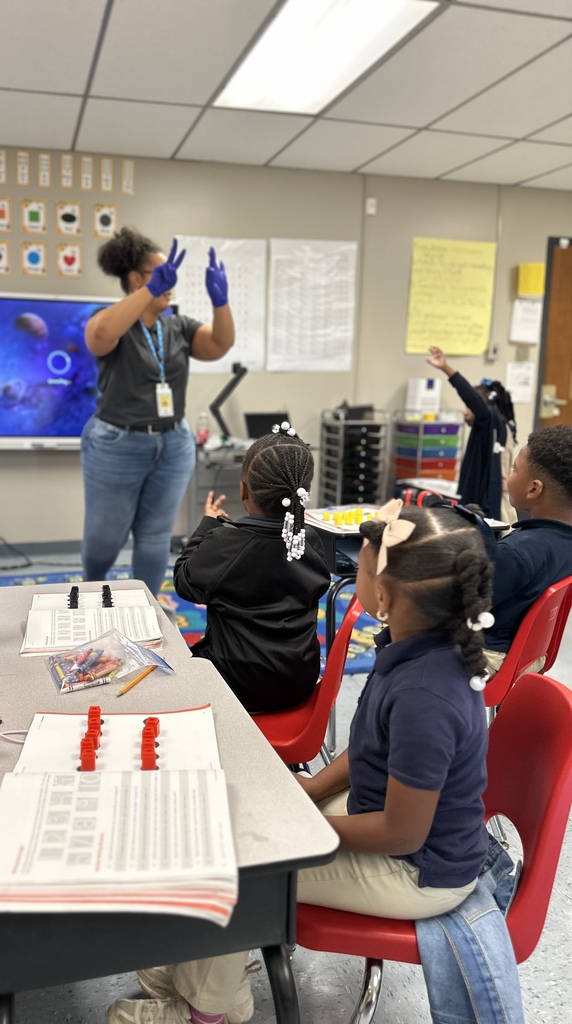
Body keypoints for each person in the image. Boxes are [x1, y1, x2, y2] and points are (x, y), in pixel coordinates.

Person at [107, 500, 495, 1024]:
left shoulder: (428, 696)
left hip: (416, 870)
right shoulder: (410, 648)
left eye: (357, 562)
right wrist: (307, 792)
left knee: (241, 865)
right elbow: (369, 753)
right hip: (384, 821)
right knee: (248, 804)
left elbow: (402, 834)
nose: (348, 569)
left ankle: (210, 1009)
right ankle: (195, 968)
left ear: (383, 594)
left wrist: (308, 827)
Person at [81, 228, 235, 596]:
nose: (172, 282)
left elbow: (219, 345)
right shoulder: (112, 320)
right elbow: (97, 336)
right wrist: (148, 292)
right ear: (136, 279)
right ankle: (90, 593)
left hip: (173, 443)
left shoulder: (177, 327)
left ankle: (144, 604)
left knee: (154, 535)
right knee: (106, 537)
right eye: (161, 274)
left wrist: (221, 302)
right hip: (117, 443)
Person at [173, 422, 331, 713]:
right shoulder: (310, 541)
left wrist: (208, 525)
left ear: (243, 489)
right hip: (299, 682)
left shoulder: (224, 542)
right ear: (303, 491)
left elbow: (184, 582)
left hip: (235, 685)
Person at [476, 424, 572, 674]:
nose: (508, 477)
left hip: (492, 658)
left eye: (514, 470)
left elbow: (463, 606)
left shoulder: (518, 551)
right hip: (533, 654)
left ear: (534, 488)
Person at [426, 346, 517, 521]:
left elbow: (471, 397)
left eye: (469, 407)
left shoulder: (489, 419)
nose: (465, 412)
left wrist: (446, 368)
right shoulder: (498, 425)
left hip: (490, 505)